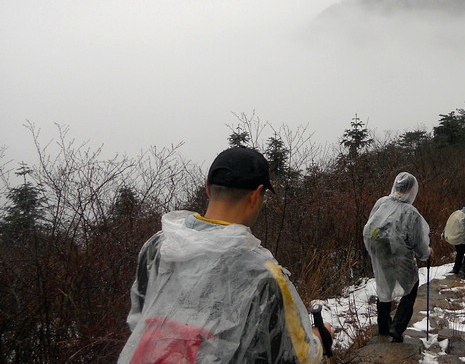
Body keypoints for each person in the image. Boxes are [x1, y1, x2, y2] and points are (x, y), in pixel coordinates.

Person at [119, 147, 330, 363]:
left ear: (207, 187)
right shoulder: (260, 272)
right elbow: (293, 357)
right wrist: (320, 339)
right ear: (255, 196)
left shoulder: (157, 247)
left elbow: (140, 321)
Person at [363, 172, 432, 343]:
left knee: (384, 288)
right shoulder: (411, 213)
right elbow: (417, 242)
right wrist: (426, 253)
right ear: (411, 190)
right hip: (401, 259)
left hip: (382, 255)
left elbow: (371, 225)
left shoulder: (381, 203)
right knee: (411, 287)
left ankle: (383, 326)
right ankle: (397, 327)